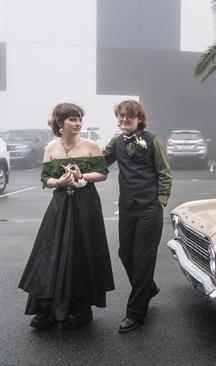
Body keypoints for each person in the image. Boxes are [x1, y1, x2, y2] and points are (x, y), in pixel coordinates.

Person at [18, 103, 115, 330]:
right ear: (60, 124)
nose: (78, 123)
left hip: (86, 205)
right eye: (72, 119)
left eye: (80, 119)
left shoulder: (91, 146)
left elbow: (102, 174)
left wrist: (82, 175)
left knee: (82, 252)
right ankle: (45, 309)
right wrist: (58, 182)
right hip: (60, 205)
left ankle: (80, 309)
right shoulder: (51, 148)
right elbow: (45, 179)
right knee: (49, 252)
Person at [103, 100, 172, 333]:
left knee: (143, 259)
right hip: (127, 207)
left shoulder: (153, 141)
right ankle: (148, 288)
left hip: (149, 209)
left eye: (129, 117)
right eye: (121, 116)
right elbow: (101, 162)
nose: (124, 120)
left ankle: (135, 313)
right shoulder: (117, 142)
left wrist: (161, 199)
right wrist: (76, 164)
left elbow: (165, 173)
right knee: (125, 253)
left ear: (139, 119)